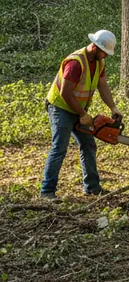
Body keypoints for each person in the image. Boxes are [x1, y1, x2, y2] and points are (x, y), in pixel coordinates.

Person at [40, 30, 122, 200]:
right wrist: (82, 113)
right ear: (95, 47)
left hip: (78, 108)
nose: (105, 56)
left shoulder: (99, 63)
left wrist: (113, 107)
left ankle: (92, 187)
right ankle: (47, 191)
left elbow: (102, 85)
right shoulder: (76, 63)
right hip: (60, 107)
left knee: (88, 144)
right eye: (104, 53)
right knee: (60, 147)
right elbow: (65, 93)